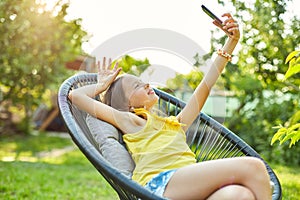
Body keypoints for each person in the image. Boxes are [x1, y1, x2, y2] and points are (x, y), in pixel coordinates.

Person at [69, 13, 272, 200]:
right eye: (137, 86)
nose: (147, 84)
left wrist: (231, 42)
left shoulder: (176, 124)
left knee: (239, 195)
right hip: (158, 188)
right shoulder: (131, 121)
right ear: (128, 105)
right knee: (253, 167)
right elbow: (76, 95)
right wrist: (102, 85)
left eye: (143, 81)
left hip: (187, 188)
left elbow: (206, 86)